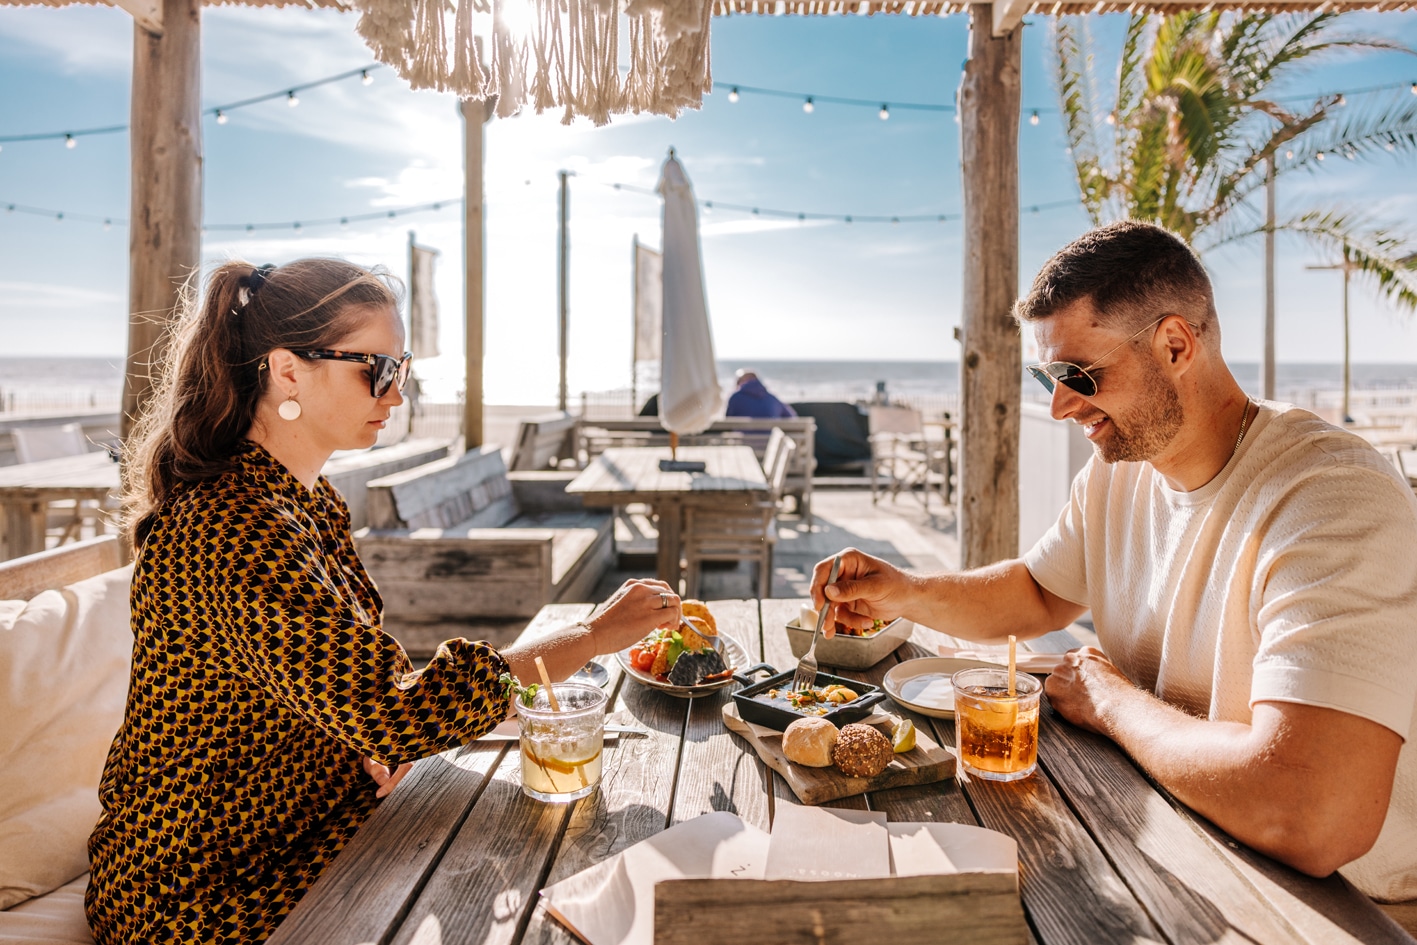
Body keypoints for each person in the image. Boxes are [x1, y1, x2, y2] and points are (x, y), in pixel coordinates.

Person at [811, 221, 1417, 904]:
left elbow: (1310, 814)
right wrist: (904, 590)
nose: (1060, 404)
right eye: (1047, 375)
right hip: (1177, 841)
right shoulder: (1119, 472)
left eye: (1077, 375)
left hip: (1350, 906)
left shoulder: (1329, 496)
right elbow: (1038, 594)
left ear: (1175, 344)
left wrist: (1108, 699)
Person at [86, 258, 684, 944]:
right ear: (286, 371)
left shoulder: (305, 500)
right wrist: (593, 632)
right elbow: (393, 712)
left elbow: (345, 692)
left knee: (547, 852)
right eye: (376, 369)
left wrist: (360, 741)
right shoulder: (235, 527)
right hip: (201, 892)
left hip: (306, 821)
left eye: (402, 371)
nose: (394, 396)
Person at [725, 369, 796, 419]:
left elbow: (728, 420)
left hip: (742, 439)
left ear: (742, 382)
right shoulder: (772, 398)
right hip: (771, 440)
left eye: (738, 381)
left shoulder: (735, 398)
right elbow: (791, 417)